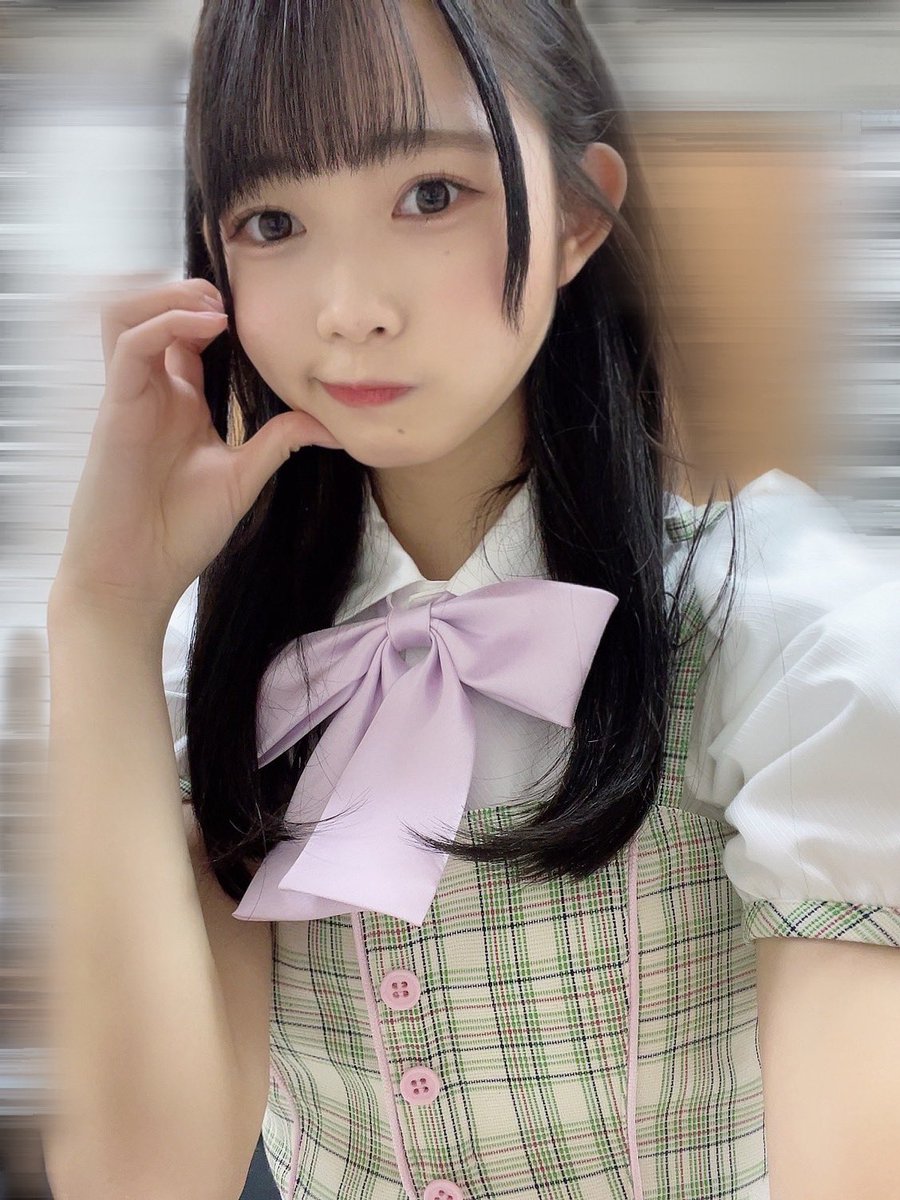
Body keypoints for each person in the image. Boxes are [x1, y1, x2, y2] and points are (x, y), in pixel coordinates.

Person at [44, 2, 900, 1199]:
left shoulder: (786, 638)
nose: (350, 306)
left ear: (580, 218)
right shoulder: (227, 672)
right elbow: (139, 1178)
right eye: (272, 222)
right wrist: (102, 614)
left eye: (431, 195)